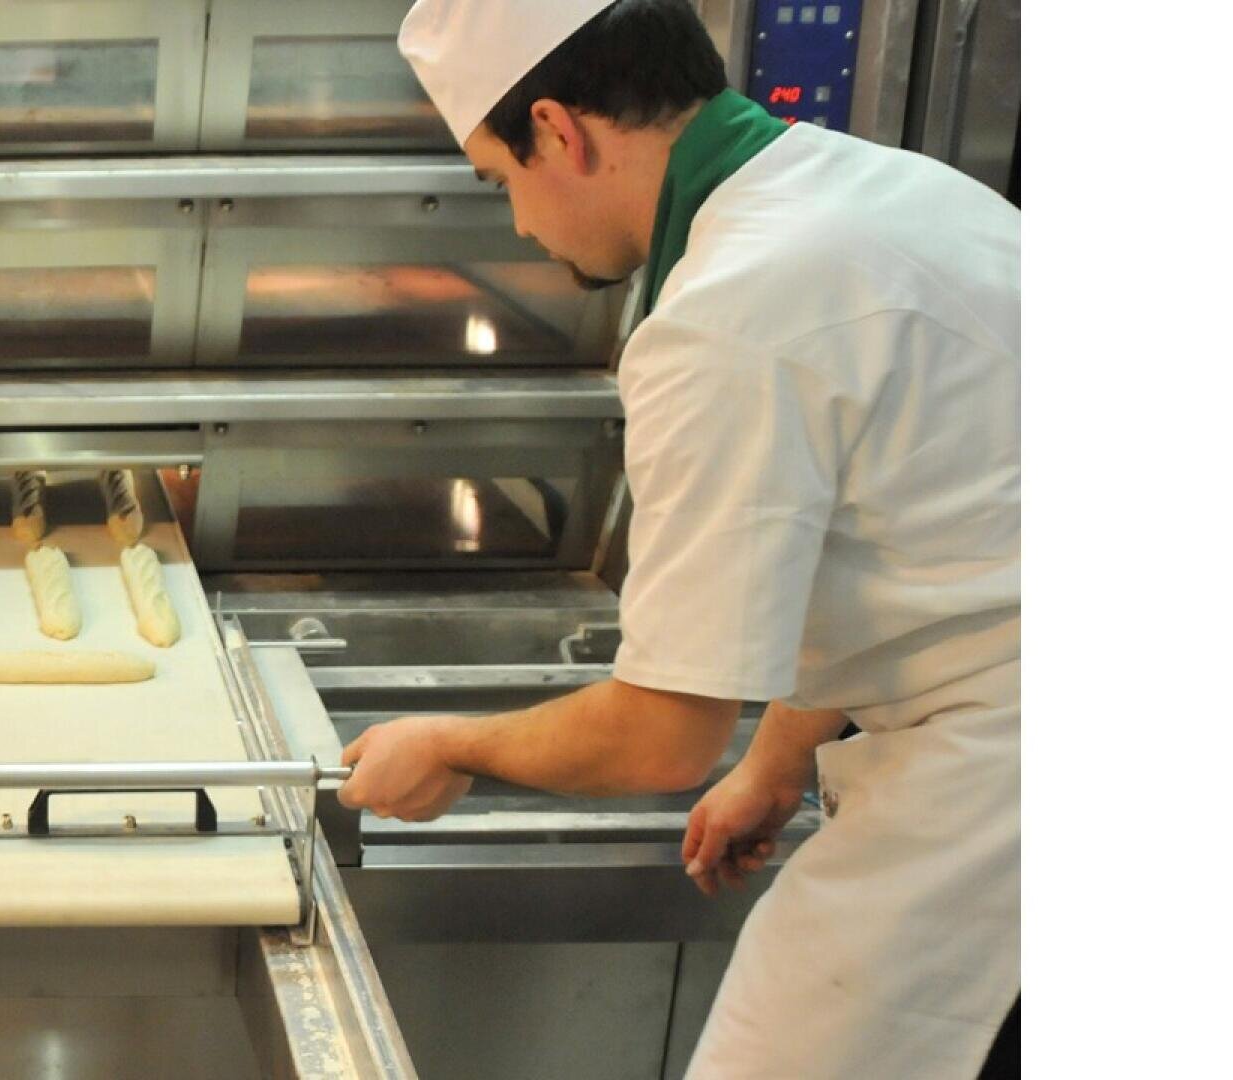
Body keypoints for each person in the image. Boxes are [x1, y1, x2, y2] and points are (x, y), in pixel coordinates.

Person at [337, 1, 1021, 1075]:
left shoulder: (727, 315)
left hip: (1005, 794)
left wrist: (455, 743)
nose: (517, 223)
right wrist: (784, 755)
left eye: (500, 181)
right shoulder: (885, 190)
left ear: (559, 131)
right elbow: (916, 534)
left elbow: (661, 738)